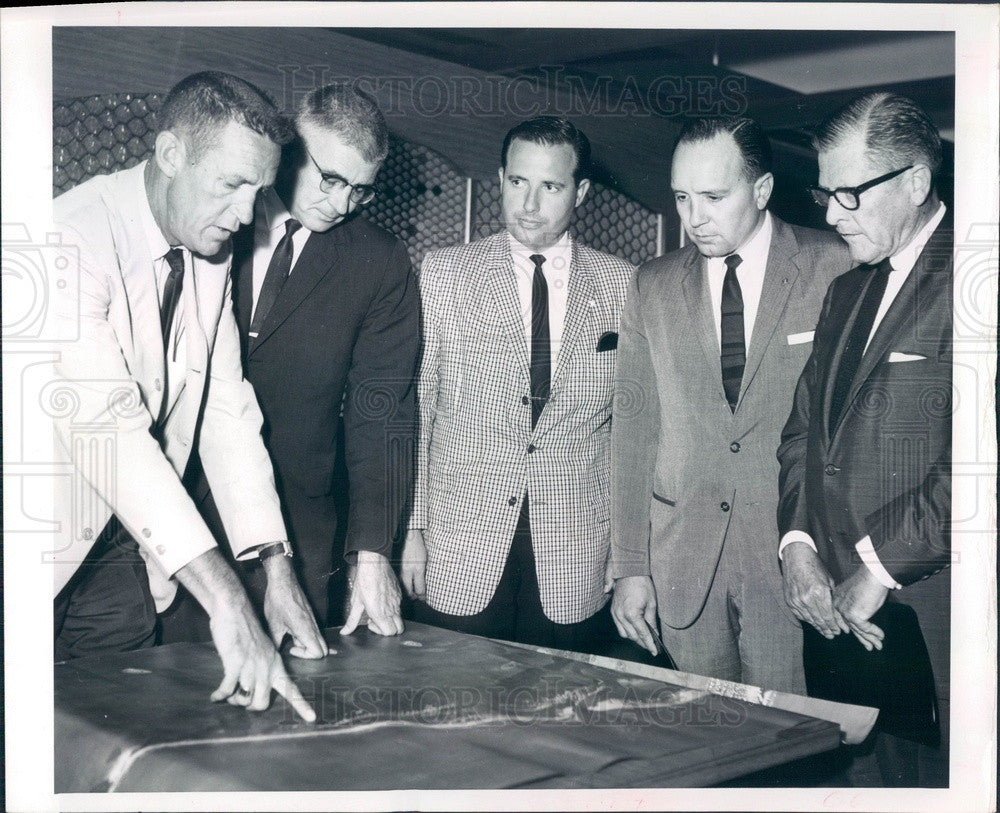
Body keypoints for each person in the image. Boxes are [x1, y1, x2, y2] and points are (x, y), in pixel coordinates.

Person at [51, 71, 326, 719]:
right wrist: (227, 599)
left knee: (118, 733)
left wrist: (274, 569)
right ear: (171, 154)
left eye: (258, 193)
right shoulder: (65, 238)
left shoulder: (210, 244)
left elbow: (226, 409)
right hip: (33, 544)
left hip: (122, 553)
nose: (243, 215)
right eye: (231, 185)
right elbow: (108, 429)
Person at [161, 84, 417, 641]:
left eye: (361, 191)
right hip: (173, 508)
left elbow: (383, 411)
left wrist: (371, 555)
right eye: (332, 179)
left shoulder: (379, 262)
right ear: (291, 150)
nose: (342, 204)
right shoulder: (208, 216)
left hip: (297, 528)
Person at [608, 117, 851, 693]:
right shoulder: (652, 285)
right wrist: (630, 568)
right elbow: (634, 435)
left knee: (791, 743)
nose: (694, 218)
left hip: (797, 564)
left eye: (714, 198)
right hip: (681, 564)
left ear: (762, 191)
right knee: (700, 742)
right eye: (682, 198)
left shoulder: (837, 265)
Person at [400, 116, 635, 650]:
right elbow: (418, 408)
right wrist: (409, 532)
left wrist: (626, 561)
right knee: (455, 710)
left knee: (554, 715)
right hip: (460, 541)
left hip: (576, 550)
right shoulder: (443, 273)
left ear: (582, 192)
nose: (529, 204)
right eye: (517, 182)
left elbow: (631, 432)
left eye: (551, 186)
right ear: (500, 178)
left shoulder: (624, 284)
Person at [777, 92, 951, 785]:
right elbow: (802, 434)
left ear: (915, 181)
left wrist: (876, 570)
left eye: (848, 193)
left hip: (926, 615)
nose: (828, 213)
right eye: (825, 193)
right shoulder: (845, 291)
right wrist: (797, 546)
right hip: (834, 621)